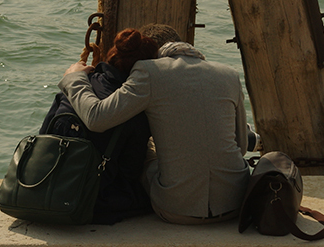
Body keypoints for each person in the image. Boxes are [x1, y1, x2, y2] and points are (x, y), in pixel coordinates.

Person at [60, 23, 250, 225]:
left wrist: (74, 78)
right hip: (235, 204)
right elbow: (242, 146)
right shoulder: (229, 74)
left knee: (146, 151)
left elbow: (96, 118)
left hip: (176, 209)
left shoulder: (149, 70)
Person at [41, 28, 157, 224]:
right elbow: (131, 170)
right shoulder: (134, 110)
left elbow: (44, 137)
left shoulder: (72, 88)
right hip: (96, 200)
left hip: (49, 188)